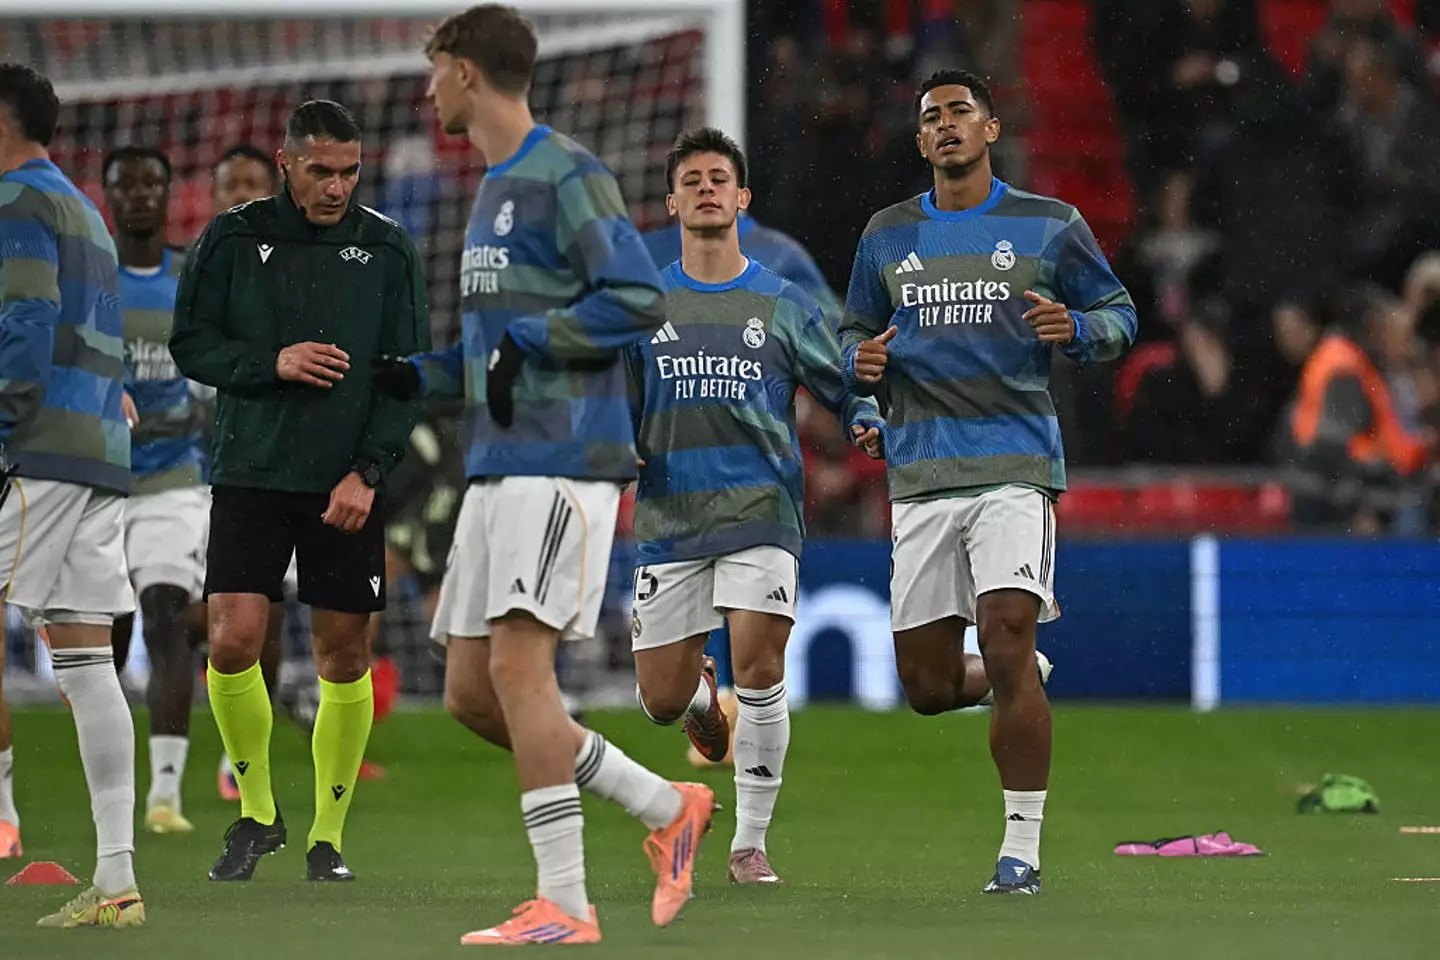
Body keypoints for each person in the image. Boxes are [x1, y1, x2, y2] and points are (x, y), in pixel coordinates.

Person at [372, 4, 713, 945]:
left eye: (435, 65)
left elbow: (640, 295)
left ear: (469, 72)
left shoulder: (566, 172)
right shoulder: (493, 188)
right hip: (497, 464)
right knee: (475, 695)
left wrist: (538, 338)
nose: (427, 83)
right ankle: (664, 806)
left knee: (522, 668)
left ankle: (565, 903)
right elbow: (494, 355)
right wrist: (420, 376)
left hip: (561, 463)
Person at [840, 69, 1135, 895]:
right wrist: (858, 391)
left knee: (1006, 631)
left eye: (960, 112)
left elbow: (1120, 314)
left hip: (1013, 464)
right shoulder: (886, 235)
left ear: (991, 129)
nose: (945, 125)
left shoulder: (1049, 225)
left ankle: (1021, 852)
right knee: (929, 688)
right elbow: (854, 340)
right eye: (931, 117)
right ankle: (1014, 677)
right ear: (921, 140)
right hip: (923, 472)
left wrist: (1075, 326)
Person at [170, 99, 430, 883]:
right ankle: (255, 815)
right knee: (231, 640)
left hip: (345, 483)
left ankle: (327, 837)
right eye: (321, 171)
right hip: (250, 470)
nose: (337, 187)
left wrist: (370, 472)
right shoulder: (232, 236)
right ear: (286, 163)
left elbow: (405, 378)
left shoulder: (387, 249)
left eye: (350, 171)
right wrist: (270, 362)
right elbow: (191, 344)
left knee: (343, 656)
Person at [628, 127, 883, 884]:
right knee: (660, 700)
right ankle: (702, 696)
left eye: (720, 179)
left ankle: (750, 844)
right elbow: (606, 397)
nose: (706, 189)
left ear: (742, 198)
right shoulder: (641, 305)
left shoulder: (781, 300)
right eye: (692, 180)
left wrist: (863, 418)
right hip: (670, 515)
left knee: (762, 663)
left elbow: (840, 382)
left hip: (762, 506)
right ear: (673, 201)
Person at [0, 63, 144, 927]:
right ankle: (118, 881)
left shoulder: (17, 203)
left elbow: (22, 326)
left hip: (38, 448)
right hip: (98, 451)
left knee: (87, 664)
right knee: (89, 666)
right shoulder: (82, 208)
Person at [101, 146, 207, 835]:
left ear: (168, 194)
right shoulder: (88, 281)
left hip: (175, 482)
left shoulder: (191, 279)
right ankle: (107, 789)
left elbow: (214, 377)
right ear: (108, 197)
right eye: (125, 185)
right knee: (104, 643)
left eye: (151, 184)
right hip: (102, 485)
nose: (139, 195)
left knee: (167, 616)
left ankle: (163, 794)